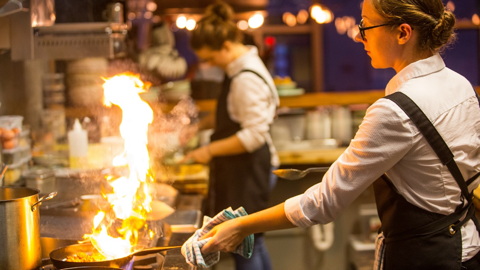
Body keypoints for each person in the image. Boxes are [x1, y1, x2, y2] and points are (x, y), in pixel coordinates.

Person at [196, 0, 480, 269]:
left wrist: (240, 226)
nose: (359, 37)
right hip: (467, 247)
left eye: (366, 26)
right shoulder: (460, 85)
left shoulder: (394, 110)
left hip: (426, 258)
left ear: (403, 32)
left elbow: (323, 202)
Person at [182, 1, 279, 270]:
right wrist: (197, 128)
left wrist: (208, 150)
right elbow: (234, 113)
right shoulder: (237, 68)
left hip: (249, 171)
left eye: (210, 58)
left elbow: (253, 136)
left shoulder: (245, 78)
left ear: (225, 46)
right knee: (250, 243)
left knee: (244, 243)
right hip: (242, 170)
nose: (209, 65)